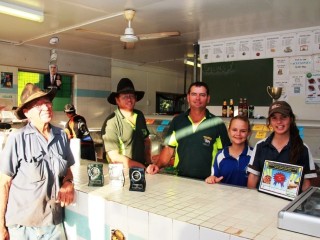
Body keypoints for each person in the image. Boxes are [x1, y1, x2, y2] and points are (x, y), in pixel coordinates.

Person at [0, 83, 75, 240]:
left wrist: (68, 182)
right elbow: (3, 183)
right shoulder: (17, 139)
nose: (46, 107)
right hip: (23, 227)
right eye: (38, 104)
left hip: (53, 223)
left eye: (47, 102)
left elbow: (67, 168)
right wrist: (1, 225)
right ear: (27, 113)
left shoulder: (61, 135)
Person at [147, 81, 230, 180]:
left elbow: (224, 154)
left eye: (202, 95)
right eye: (194, 94)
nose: (197, 98)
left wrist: (217, 177)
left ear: (208, 98)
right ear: (188, 97)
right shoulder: (178, 121)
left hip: (208, 181)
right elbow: (169, 150)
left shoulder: (217, 123)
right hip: (181, 180)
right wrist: (157, 165)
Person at [247, 101, 317, 193]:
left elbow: (305, 184)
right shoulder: (260, 146)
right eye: (274, 118)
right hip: (263, 203)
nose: (279, 121)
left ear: (291, 119)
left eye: (283, 117)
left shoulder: (302, 148)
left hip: (290, 205)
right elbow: (253, 177)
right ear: (270, 121)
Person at [102, 78, 151, 168]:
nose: (129, 99)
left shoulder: (139, 115)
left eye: (131, 96)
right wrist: (142, 167)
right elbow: (114, 157)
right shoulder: (111, 122)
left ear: (135, 99)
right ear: (117, 100)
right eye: (124, 96)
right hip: (121, 173)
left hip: (141, 171)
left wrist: (149, 163)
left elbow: (146, 140)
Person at [205, 115, 253, 186]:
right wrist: (212, 179)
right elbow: (214, 177)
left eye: (243, 131)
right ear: (229, 131)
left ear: (248, 133)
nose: (238, 134)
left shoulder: (254, 155)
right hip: (224, 196)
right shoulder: (220, 156)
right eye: (234, 130)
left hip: (248, 196)